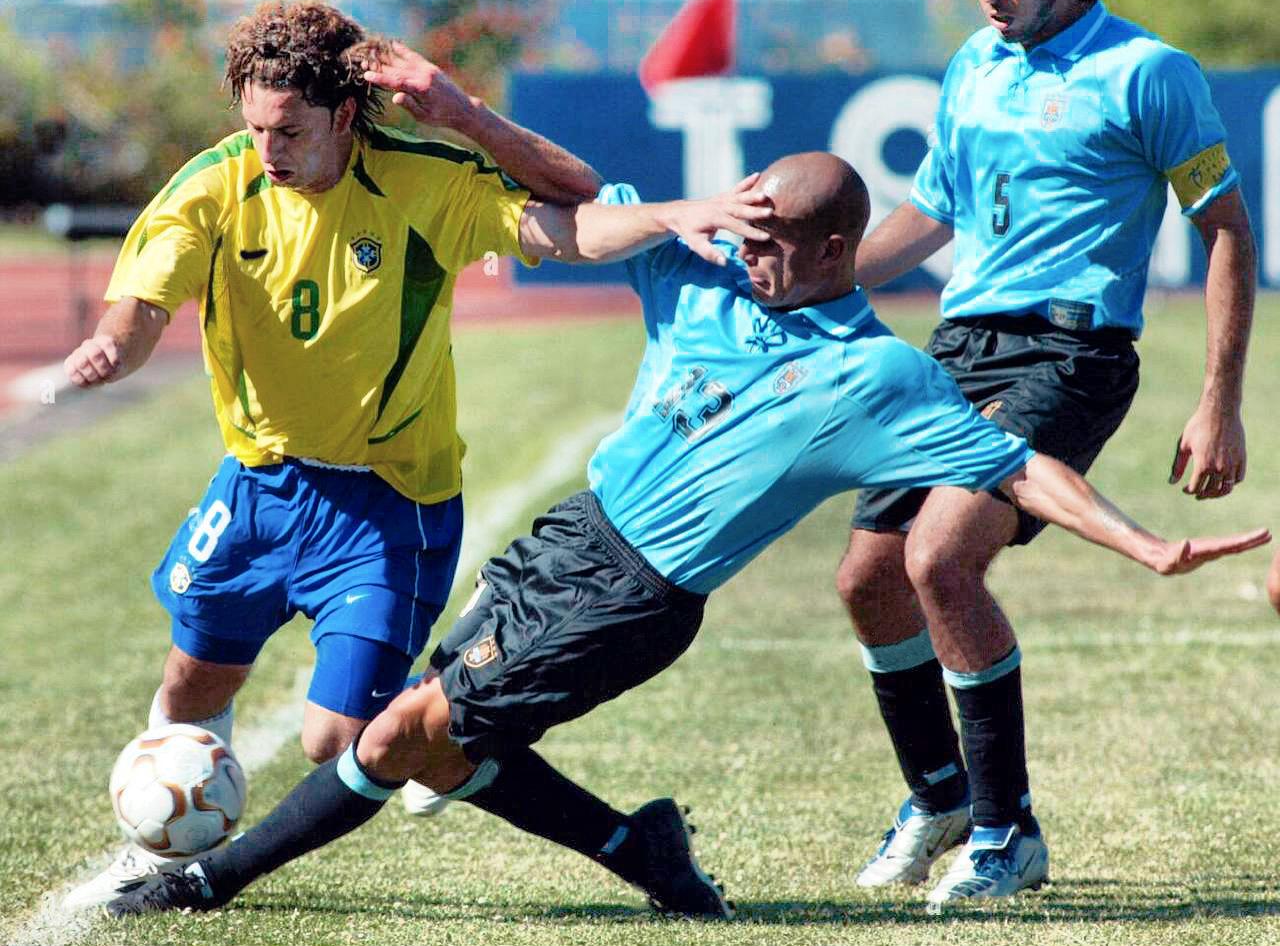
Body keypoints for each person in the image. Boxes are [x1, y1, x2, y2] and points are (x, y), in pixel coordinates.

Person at [105, 151, 1268, 922]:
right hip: (566, 540)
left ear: (827, 251)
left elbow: (1020, 467)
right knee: (438, 751)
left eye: (767, 239)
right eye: (740, 221)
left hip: (630, 598)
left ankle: (207, 881)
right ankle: (637, 847)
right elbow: (573, 185)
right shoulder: (706, 273)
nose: (740, 247)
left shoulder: (880, 377)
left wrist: (1145, 545)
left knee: (398, 729)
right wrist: (450, 107)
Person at [61, 0, 771, 909]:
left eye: (288, 128)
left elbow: (568, 224)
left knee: (347, 743)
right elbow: (144, 301)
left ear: (345, 116)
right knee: (191, 673)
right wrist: (114, 347)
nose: (267, 148)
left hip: (388, 503)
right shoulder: (213, 184)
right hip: (257, 485)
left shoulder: (419, 177)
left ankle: (604, 825)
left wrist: (678, 214)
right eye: (252, 125)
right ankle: (166, 847)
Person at [832, 0, 1257, 911]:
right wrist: (817, 276)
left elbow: (1225, 236)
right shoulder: (971, 65)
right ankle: (935, 794)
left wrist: (1217, 403)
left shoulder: (1149, 72)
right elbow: (929, 213)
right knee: (864, 578)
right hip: (957, 346)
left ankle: (1003, 828)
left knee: (939, 559)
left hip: (1070, 355)